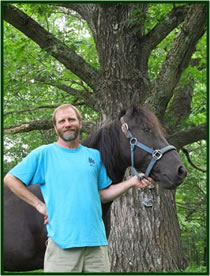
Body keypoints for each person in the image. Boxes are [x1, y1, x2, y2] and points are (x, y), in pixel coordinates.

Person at [4, 104, 153, 272]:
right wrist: (40, 206)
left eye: (71, 119)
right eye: (62, 121)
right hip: (63, 245)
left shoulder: (93, 156)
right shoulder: (45, 154)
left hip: (96, 246)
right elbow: (11, 179)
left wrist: (132, 182)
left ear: (79, 123)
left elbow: (103, 195)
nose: (67, 124)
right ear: (56, 127)